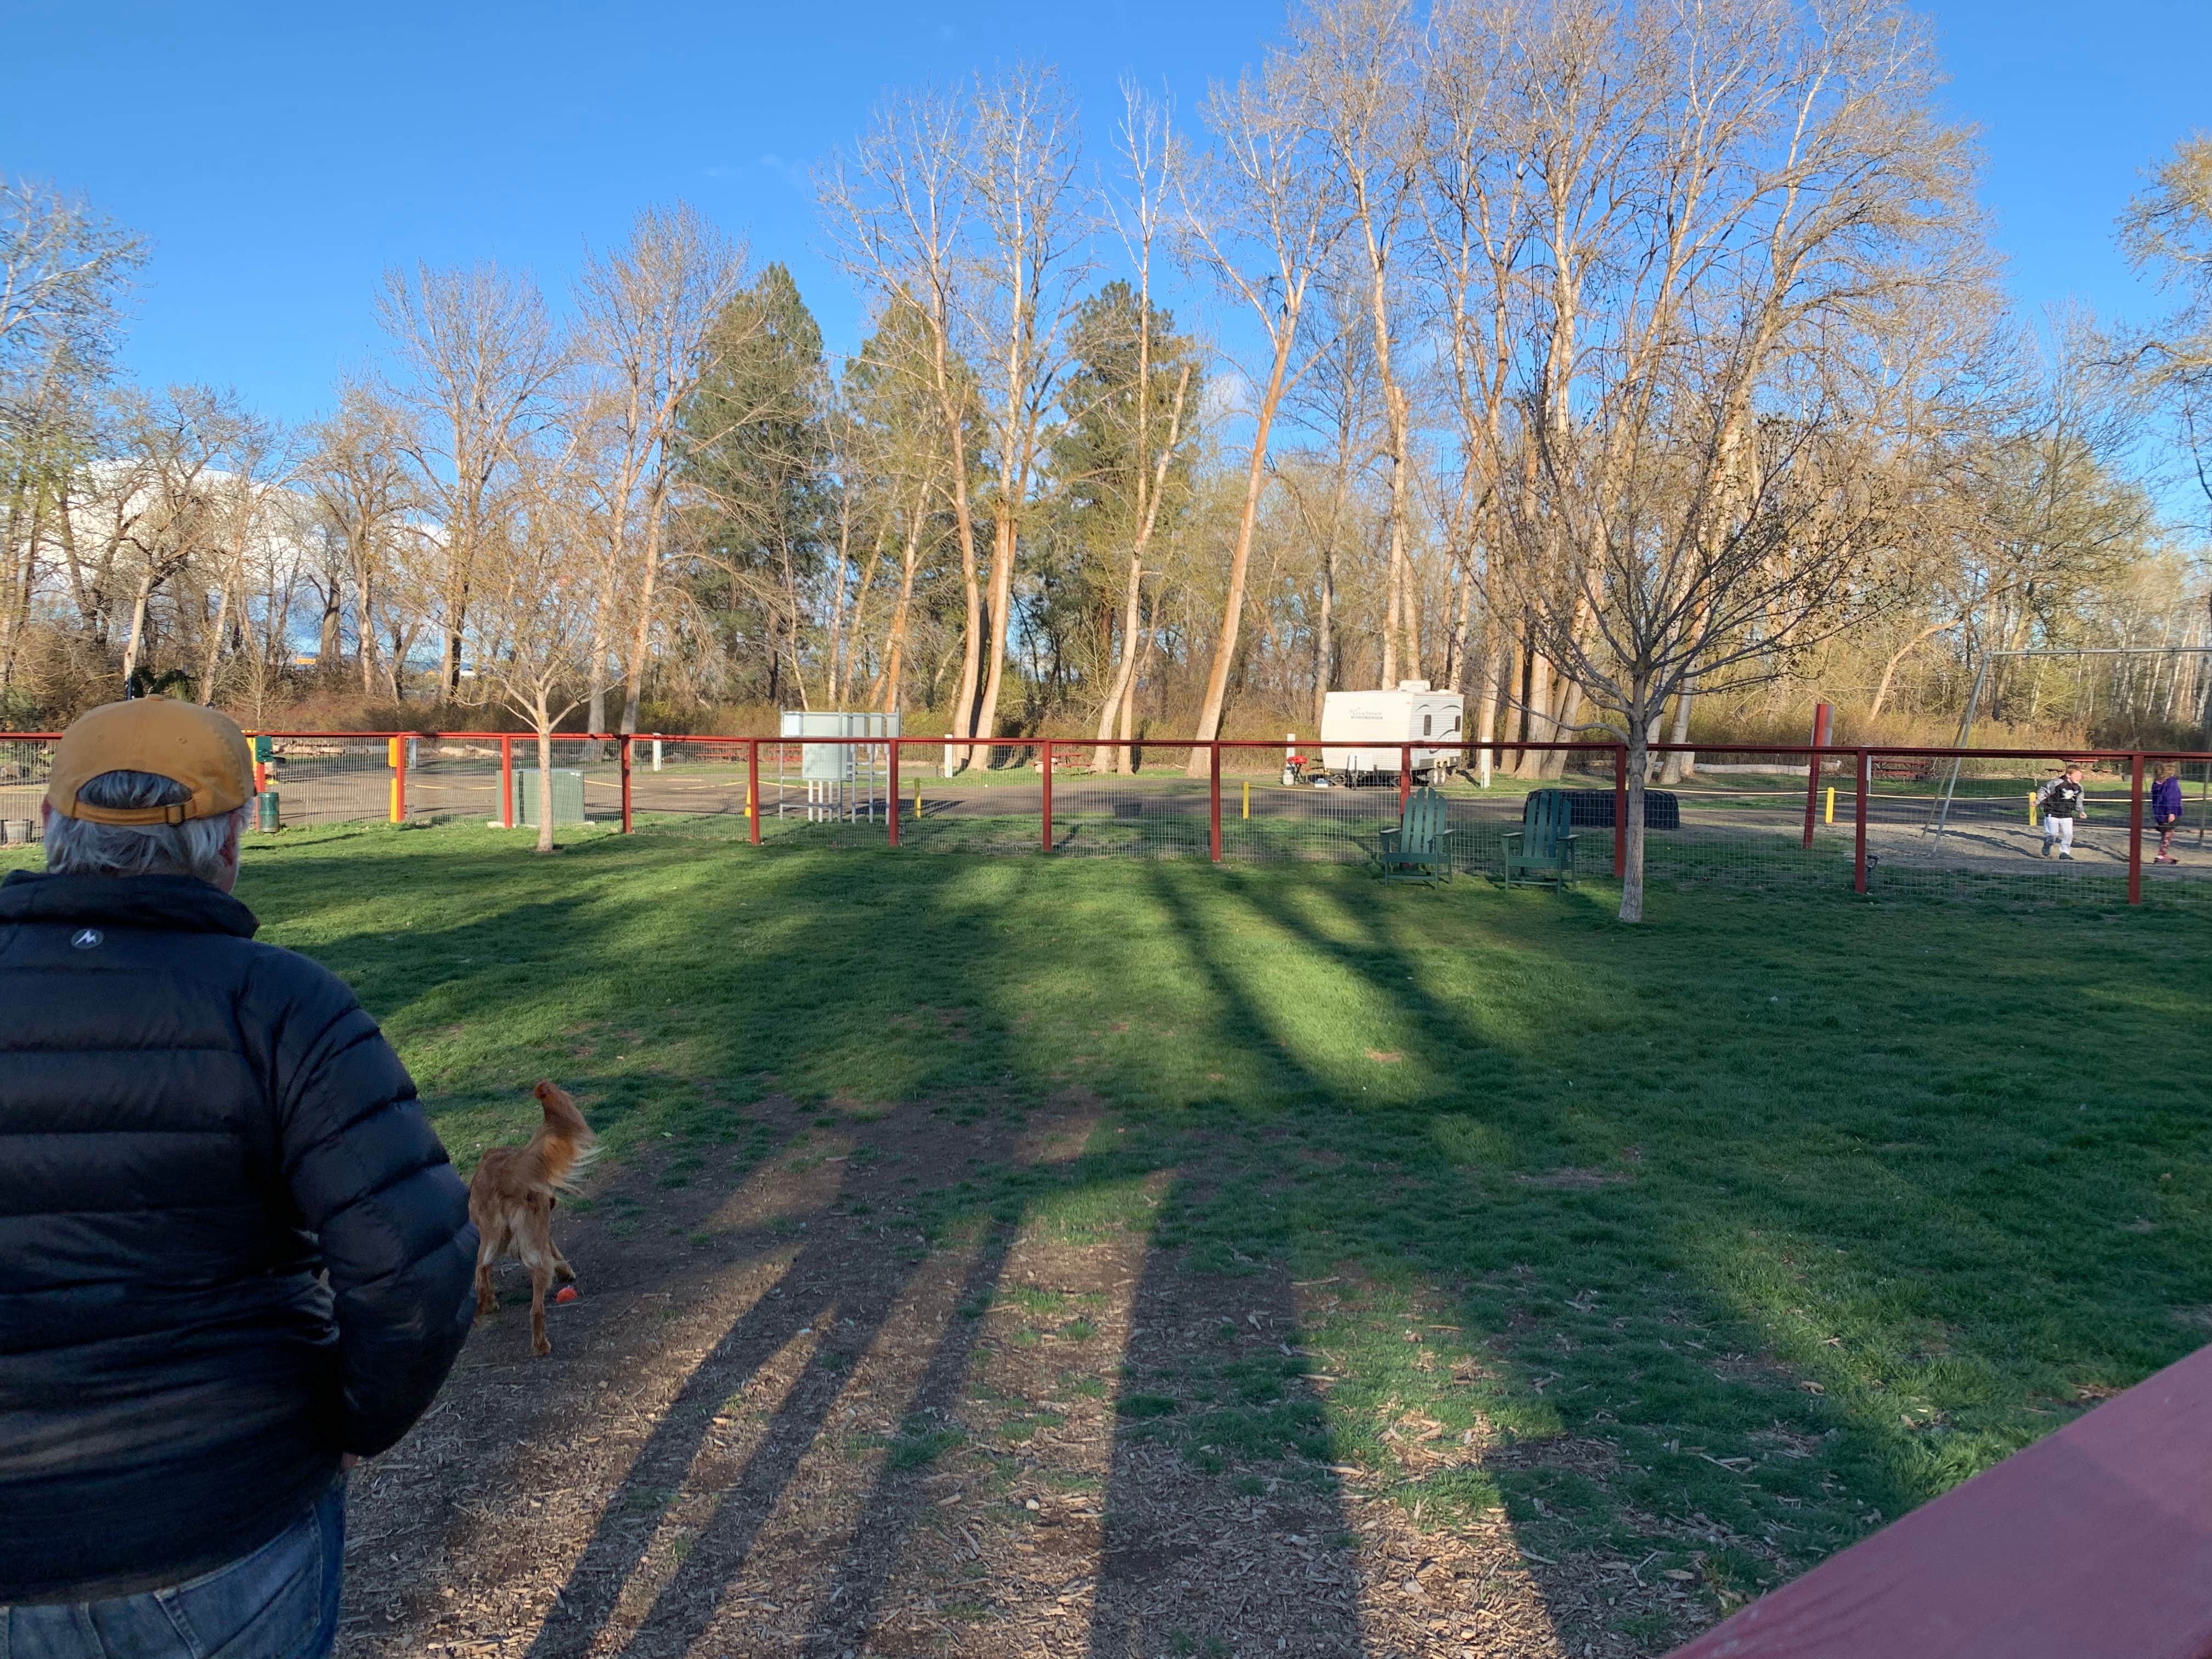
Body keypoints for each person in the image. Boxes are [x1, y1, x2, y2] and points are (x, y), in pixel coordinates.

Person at [1, 701, 478, 1657]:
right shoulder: (283, 1005)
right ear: (230, 845)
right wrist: (346, 1422)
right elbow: (413, 1267)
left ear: (51, 826)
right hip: (218, 1511)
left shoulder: (282, 1006)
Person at [2036, 762, 2087, 860]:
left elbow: (2079, 802)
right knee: (2053, 834)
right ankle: (2048, 844)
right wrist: (2037, 801)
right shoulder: (2057, 783)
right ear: (2068, 775)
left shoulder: (2079, 788)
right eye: (2077, 776)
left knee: (2069, 835)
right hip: (2052, 812)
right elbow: (2044, 790)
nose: (2079, 778)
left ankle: (2065, 853)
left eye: (2081, 776)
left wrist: (2081, 811)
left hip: (2067, 813)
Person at [2153, 763, 2185, 865]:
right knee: (2169, 832)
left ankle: (2163, 853)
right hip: (2169, 812)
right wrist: (2171, 812)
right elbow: (2171, 797)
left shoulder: (2156, 784)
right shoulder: (2171, 783)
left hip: (2159, 812)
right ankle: (2161, 855)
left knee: (2166, 833)